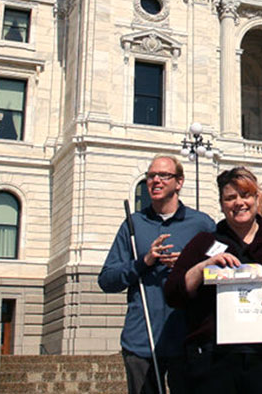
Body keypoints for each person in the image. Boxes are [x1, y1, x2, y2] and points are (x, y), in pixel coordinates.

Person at [163, 166, 262, 394]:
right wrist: (202, 268)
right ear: (222, 204)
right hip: (215, 359)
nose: (239, 203)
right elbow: (173, 293)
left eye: (245, 195)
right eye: (230, 198)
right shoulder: (204, 243)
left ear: (257, 198)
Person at [98, 155, 215, 394]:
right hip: (142, 341)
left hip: (187, 339)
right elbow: (107, 279)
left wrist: (189, 265)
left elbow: (222, 268)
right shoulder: (132, 225)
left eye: (164, 176)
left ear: (179, 182)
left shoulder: (201, 224)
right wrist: (144, 261)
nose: (156, 181)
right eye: (151, 176)